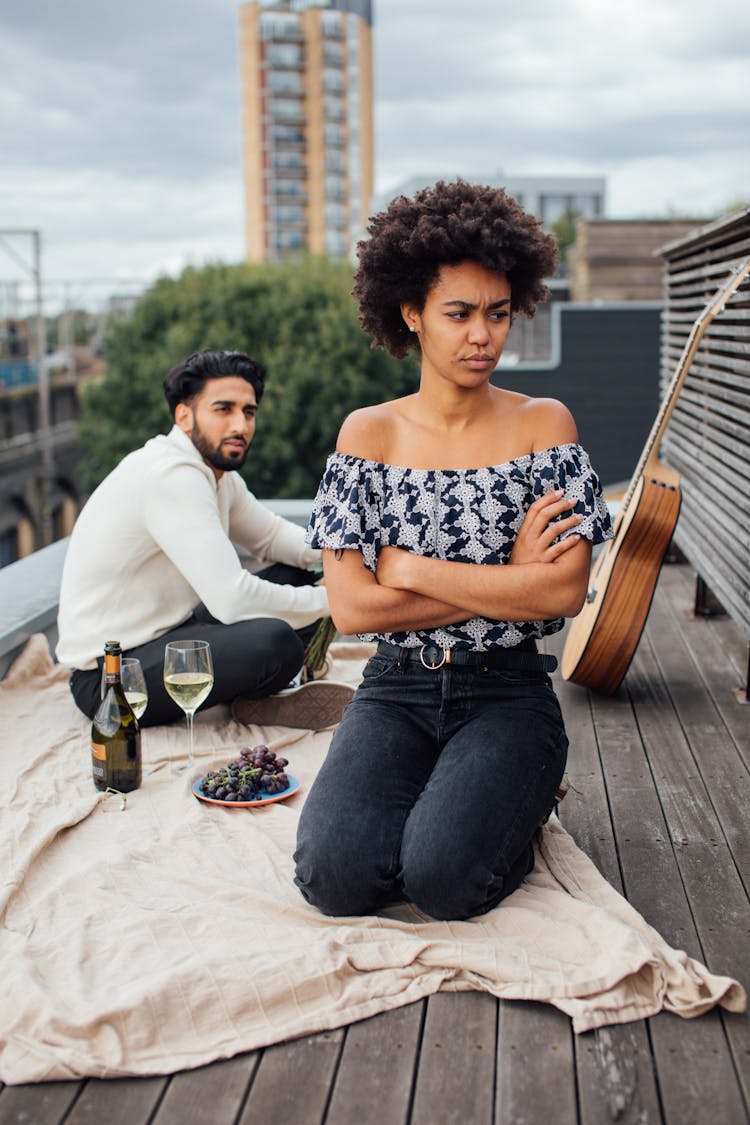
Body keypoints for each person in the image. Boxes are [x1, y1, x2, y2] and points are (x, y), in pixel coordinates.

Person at [293, 180, 613, 920]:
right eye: (459, 314)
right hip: (396, 688)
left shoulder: (545, 425)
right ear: (412, 313)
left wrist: (409, 569)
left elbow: (563, 592)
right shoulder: (367, 434)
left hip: (508, 691)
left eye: (498, 314)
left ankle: (520, 797)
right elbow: (353, 609)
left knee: (442, 881)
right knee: (333, 879)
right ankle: (469, 798)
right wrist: (511, 576)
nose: (483, 335)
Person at [57, 348, 354, 729]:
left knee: (305, 572)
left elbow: (271, 537)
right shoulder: (172, 476)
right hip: (110, 679)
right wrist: (338, 601)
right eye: (223, 409)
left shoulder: (215, 473)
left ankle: (258, 697)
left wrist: (349, 558)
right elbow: (232, 601)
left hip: (169, 635)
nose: (240, 425)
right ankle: (265, 689)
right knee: (275, 640)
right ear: (184, 415)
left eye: (248, 412)